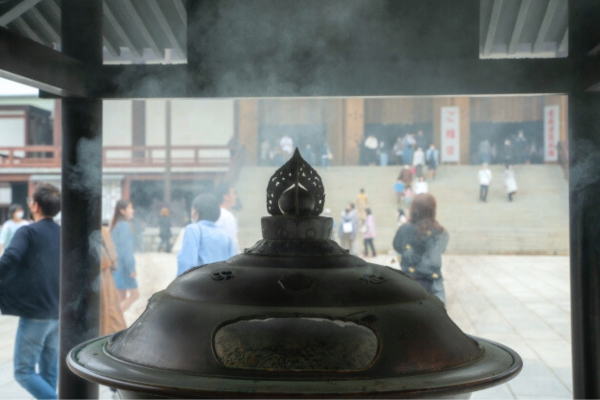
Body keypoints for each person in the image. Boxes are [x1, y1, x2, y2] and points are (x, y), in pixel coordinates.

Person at [0, 183, 61, 399]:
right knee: (49, 371)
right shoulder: (63, 233)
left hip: (36, 313)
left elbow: (10, 258)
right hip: (58, 311)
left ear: (34, 206)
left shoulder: (27, 232)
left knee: (23, 371)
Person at [393, 193, 449, 302]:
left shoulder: (404, 229)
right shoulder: (440, 231)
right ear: (433, 210)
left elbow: (397, 246)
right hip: (433, 283)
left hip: (410, 281)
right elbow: (441, 249)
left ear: (413, 209)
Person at [177, 194, 235, 276]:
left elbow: (187, 263)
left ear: (196, 211)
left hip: (200, 284)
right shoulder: (225, 236)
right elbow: (232, 264)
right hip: (221, 285)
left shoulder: (193, 229)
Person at [110, 200, 139, 313]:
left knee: (121, 297)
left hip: (117, 266)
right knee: (134, 295)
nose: (133, 211)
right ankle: (113, 321)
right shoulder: (124, 226)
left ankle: (117, 325)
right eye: (130, 208)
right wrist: (131, 268)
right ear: (122, 211)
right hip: (124, 267)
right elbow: (126, 250)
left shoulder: (116, 225)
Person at [100, 225, 127, 335]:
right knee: (111, 318)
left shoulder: (102, 231)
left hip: (102, 278)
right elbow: (113, 256)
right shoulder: (102, 231)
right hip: (105, 278)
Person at [215, 184, 240, 254]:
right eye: (233, 193)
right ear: (226, 197)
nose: (235, 196)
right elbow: (232, 241)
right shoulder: (227, 217)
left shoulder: (215, 213)